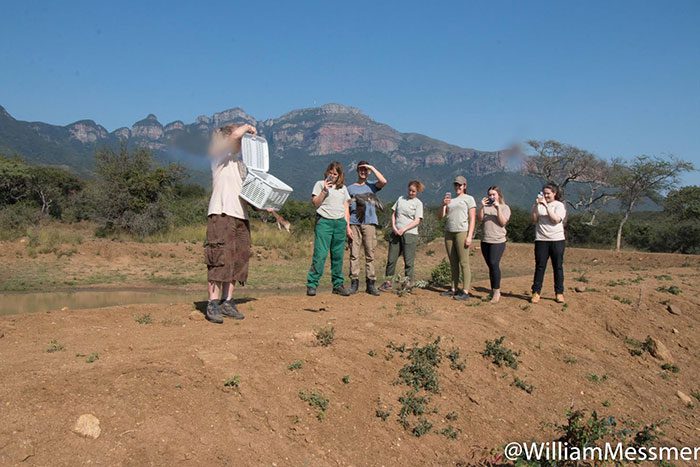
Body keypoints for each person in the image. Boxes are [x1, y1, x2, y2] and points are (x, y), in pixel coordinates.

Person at [204, 123, 257, 324]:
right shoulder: (218, 155)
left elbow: (249, 194)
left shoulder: (241, 165)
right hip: (221, 213)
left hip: (241, 216)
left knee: (238, 258)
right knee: (219, 257)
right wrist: (248, 127)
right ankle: (213, 303)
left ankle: (228, 301)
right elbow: (234, 135)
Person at [306, 162, 352, 297]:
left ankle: (338, 285)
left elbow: (346, 207)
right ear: (327, 172)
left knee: (338, 256)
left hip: (339, 223)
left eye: (335, 174)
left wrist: (347, 225)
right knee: (320, 254)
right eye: (330, 172)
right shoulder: (320, 184)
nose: (332, 175)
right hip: (324, 221)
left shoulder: (343, 189)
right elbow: (315, 203)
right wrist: (324, 191)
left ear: (339, 176)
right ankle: (312, 284)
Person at [346, 161, 388, 295]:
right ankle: (354, 283)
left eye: (365, 170)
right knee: (354, 254)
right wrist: (347, 226)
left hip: (369, 223)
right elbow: (345, 208)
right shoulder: (349, 188)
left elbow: (384, 181)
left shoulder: (372, 186)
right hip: (354, 223)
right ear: (357, 171)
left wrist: (371, 168)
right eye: (361, 169)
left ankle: (371, 284)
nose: (363, 172)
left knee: (370, 254)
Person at [379, 180, 425, 292]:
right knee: (391, 259)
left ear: (417, 191)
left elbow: (417, 220)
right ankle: (388, 282)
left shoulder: (418, 203)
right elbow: (394, 214)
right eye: (410, 190)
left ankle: (407, 284)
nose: (411, 192)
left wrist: (404, 229)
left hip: (410, 234)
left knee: (408, 261)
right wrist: (394, 227)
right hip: (396, 233)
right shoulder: (400, 199)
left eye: (414, 191)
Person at [439, 175, 476, 300]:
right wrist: (443, 205)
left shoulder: (469, 199)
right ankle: (453, 288)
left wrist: (470, 236)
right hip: (449, 232)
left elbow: (472, 218)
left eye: (460, 185)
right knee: (453, 262)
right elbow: (440, 217)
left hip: (462, 232)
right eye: (456, 184)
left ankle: (465, 291)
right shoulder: (450, 200)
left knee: (464, 262)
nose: (457, 187)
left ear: (465, 186)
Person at [530, 182, 567, 304]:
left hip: (557, 240)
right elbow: (534, 220)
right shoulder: (538, 205)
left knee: (558, 267)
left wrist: (546, 206)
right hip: (541, 239)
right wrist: (536, 206)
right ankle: (536, 292)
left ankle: (559, 293)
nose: (546, 195)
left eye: (548, 193)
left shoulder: (559, 205)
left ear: (554, 194)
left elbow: (556, 219)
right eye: (544, 193)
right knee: (540, 267)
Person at [477, 186, 511, 303]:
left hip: (498, 241)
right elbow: (480, 219)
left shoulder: (505, 208)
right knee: (491, 266)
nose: (491, 197)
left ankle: (497, 292)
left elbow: (502, 223)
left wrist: (498, 209)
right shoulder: (485, 207)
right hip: (485, 240)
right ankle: (492, 290)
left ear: (499, 195)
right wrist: (481, 206)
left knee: (494, 263)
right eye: (489, 195)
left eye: (494, 195)